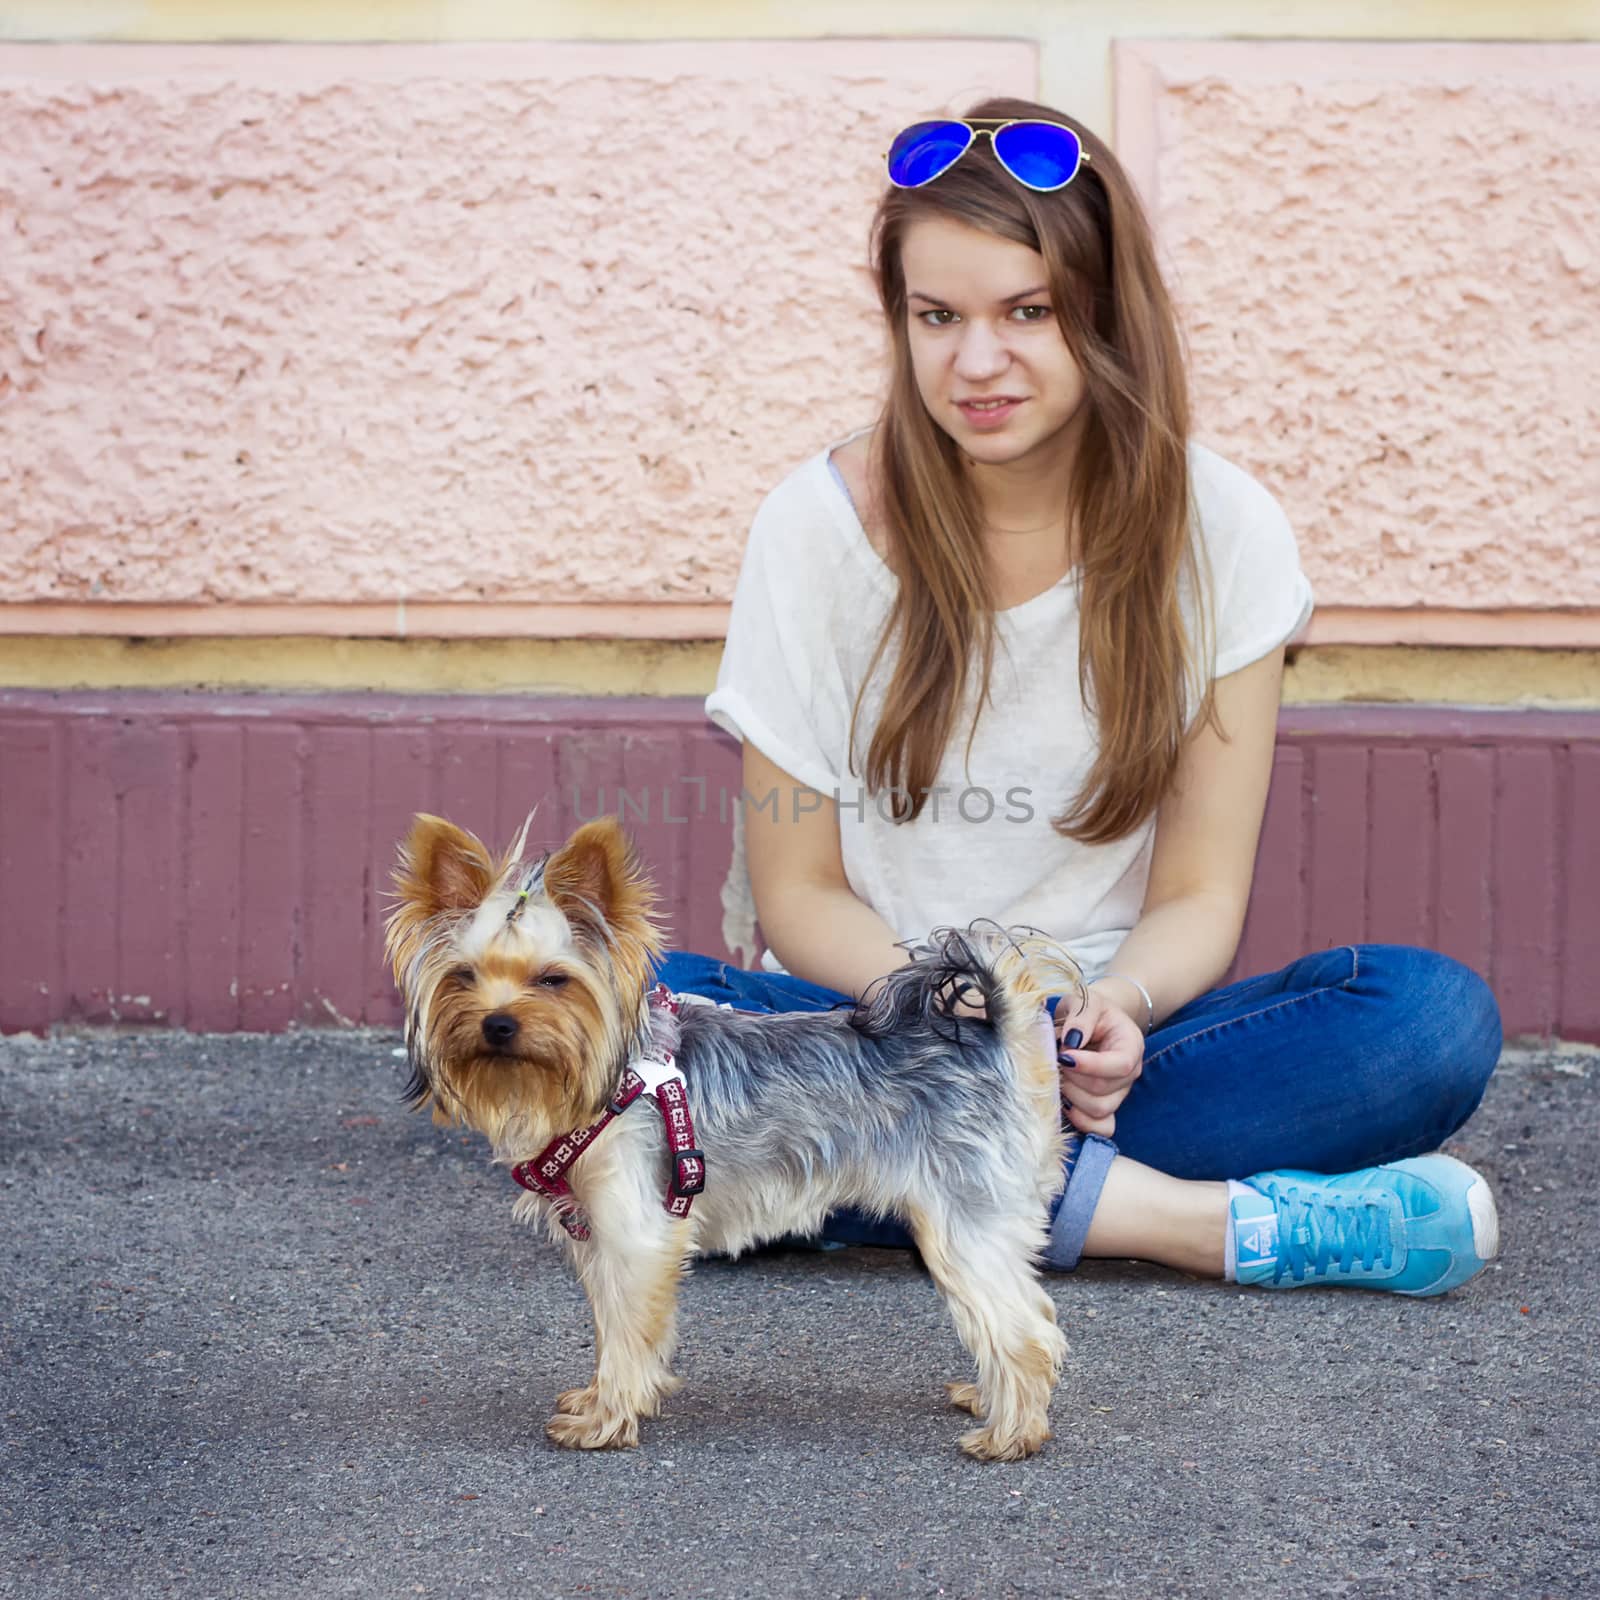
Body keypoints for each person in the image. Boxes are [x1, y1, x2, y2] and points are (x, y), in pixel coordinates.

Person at [652, 96, 1502, 1294]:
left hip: (1105, 1042)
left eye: (1027, 312)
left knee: (1429, 1020)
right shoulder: (818, 529)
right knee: (615, 1035)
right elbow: (798, 891)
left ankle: (895, 1191)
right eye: (936, 315)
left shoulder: (1222, 531)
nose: (974, 360)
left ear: (1104, 315)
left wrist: (1121, 1007)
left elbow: (1201, 889)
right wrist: (956, 1016)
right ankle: (1193, 1222)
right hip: (875, 1023)